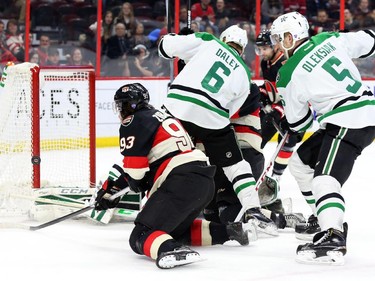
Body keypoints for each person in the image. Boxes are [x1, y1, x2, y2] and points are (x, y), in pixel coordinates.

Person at [93, 83, 256, 269]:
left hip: (181, 180)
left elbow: (136, 174)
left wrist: (121, 190)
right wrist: (113, 190)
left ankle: (171, 250)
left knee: (140, 235)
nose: (121, 111)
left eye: (122, 106)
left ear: (129, 106)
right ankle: (231, 231)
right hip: (203, 180)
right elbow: (143, 170)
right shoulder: (160, 117)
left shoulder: (133, 121)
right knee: (173, 231)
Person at [270, 11, 375, 264]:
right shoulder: (329, 39)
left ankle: (333, 233)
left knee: (324, 179)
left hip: (347, 119)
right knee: (300, 163)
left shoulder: (287, 73)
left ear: (289, 37)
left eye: (277, 38)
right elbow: (370, 40)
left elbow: (299, 123)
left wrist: (282, 121)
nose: (275, 45)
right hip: (361, 111)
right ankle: (321, 216)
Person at [158, 25, 278, 235]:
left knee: (158, 147)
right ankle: (253, 209)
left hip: (178, 105)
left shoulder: (208, 42)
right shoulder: (244, 72)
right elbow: (230, 111)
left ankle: (135, 192)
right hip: (213, 116)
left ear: (223, 39)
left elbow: (164, 47)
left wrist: (177, 41)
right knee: (236, 165)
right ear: (242, 49)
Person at [254, 30, 304, 213]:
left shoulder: (285, 63)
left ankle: (275, 178)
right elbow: (270, 88)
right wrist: (262, 95)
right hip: (274, 110)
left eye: (265, 48)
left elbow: (290, 95)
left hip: (293, 110)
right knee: (258, 139)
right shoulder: (265, 62)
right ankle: (255, 175)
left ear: (276, 46)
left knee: (289, 142)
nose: (262, 52)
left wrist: (278, 110)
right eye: (259, 49)